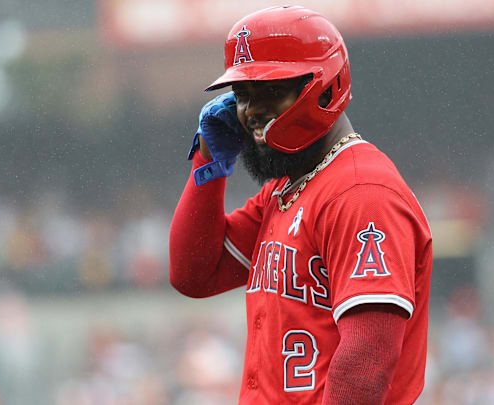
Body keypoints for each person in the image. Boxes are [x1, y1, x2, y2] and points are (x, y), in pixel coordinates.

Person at [169, 5, 432, 404]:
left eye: (271, 90)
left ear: (325, 85)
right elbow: (193, 274)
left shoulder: (362, 191)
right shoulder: (287, 189)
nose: (250, 110)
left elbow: (367, 359)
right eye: (242, 94)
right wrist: (209, 163)